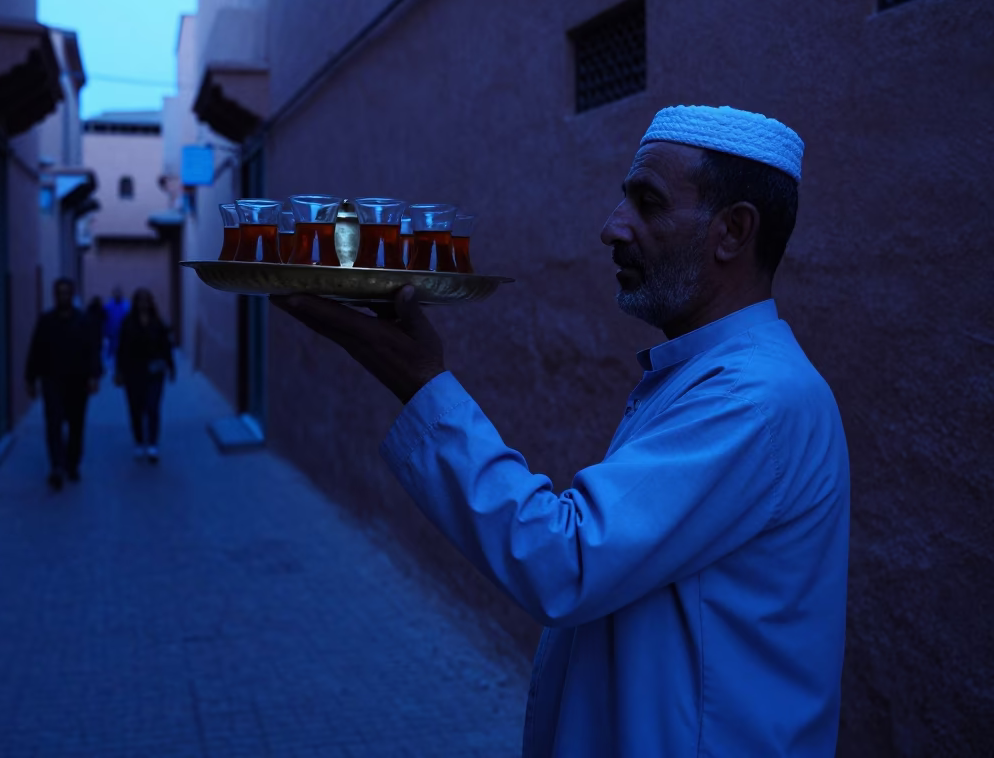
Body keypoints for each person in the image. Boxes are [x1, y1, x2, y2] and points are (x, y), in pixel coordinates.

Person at [271, 105, 850, 757]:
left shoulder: (758, 397)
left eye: (647, 203)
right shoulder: (707, 375)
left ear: (732, 232)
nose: (612, 228)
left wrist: (420, 382)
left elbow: (564, 560)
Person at [25, 277, 102, 490]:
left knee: (76, 426)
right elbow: (36, 350)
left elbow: (92, 350)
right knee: (53, 424)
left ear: (72, 295)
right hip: (52, 381)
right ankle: (57, 466)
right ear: (55, 295)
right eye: (60, 292)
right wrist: (30, 379)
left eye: (67, 292)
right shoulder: (46, 321)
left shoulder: (84, 321)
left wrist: (95, 377)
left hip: (78, 382)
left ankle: (72, 463)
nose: (63, 296)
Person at [115, 288, 175, 463]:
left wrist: (171, 367)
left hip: (154, 373)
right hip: (133, 373)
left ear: (150, 302)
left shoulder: (158, 323)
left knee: (153, 408)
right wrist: (119, 371)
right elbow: (122, 349)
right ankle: (139, 440)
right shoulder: (128, 323)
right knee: (136, 409)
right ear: (136, 303)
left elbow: (166, 346)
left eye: (146, 300)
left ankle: (153, 444)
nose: (143, 304)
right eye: (140, 300)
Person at [104, 286, 130, 365]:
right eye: (116, 292)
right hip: (112, 335)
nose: (117, 294)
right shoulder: (108, 306)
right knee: (112, 358)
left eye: (119, 292)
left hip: (124, 335)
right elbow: (105, 320)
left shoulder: (127, 305)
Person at [85, 296, 107, 374]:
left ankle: (97, 368)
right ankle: (97, 368)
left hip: (95, 335)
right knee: (97, 353)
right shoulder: (98, 311)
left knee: (96, 353)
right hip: (96, 335)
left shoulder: (91, 310)